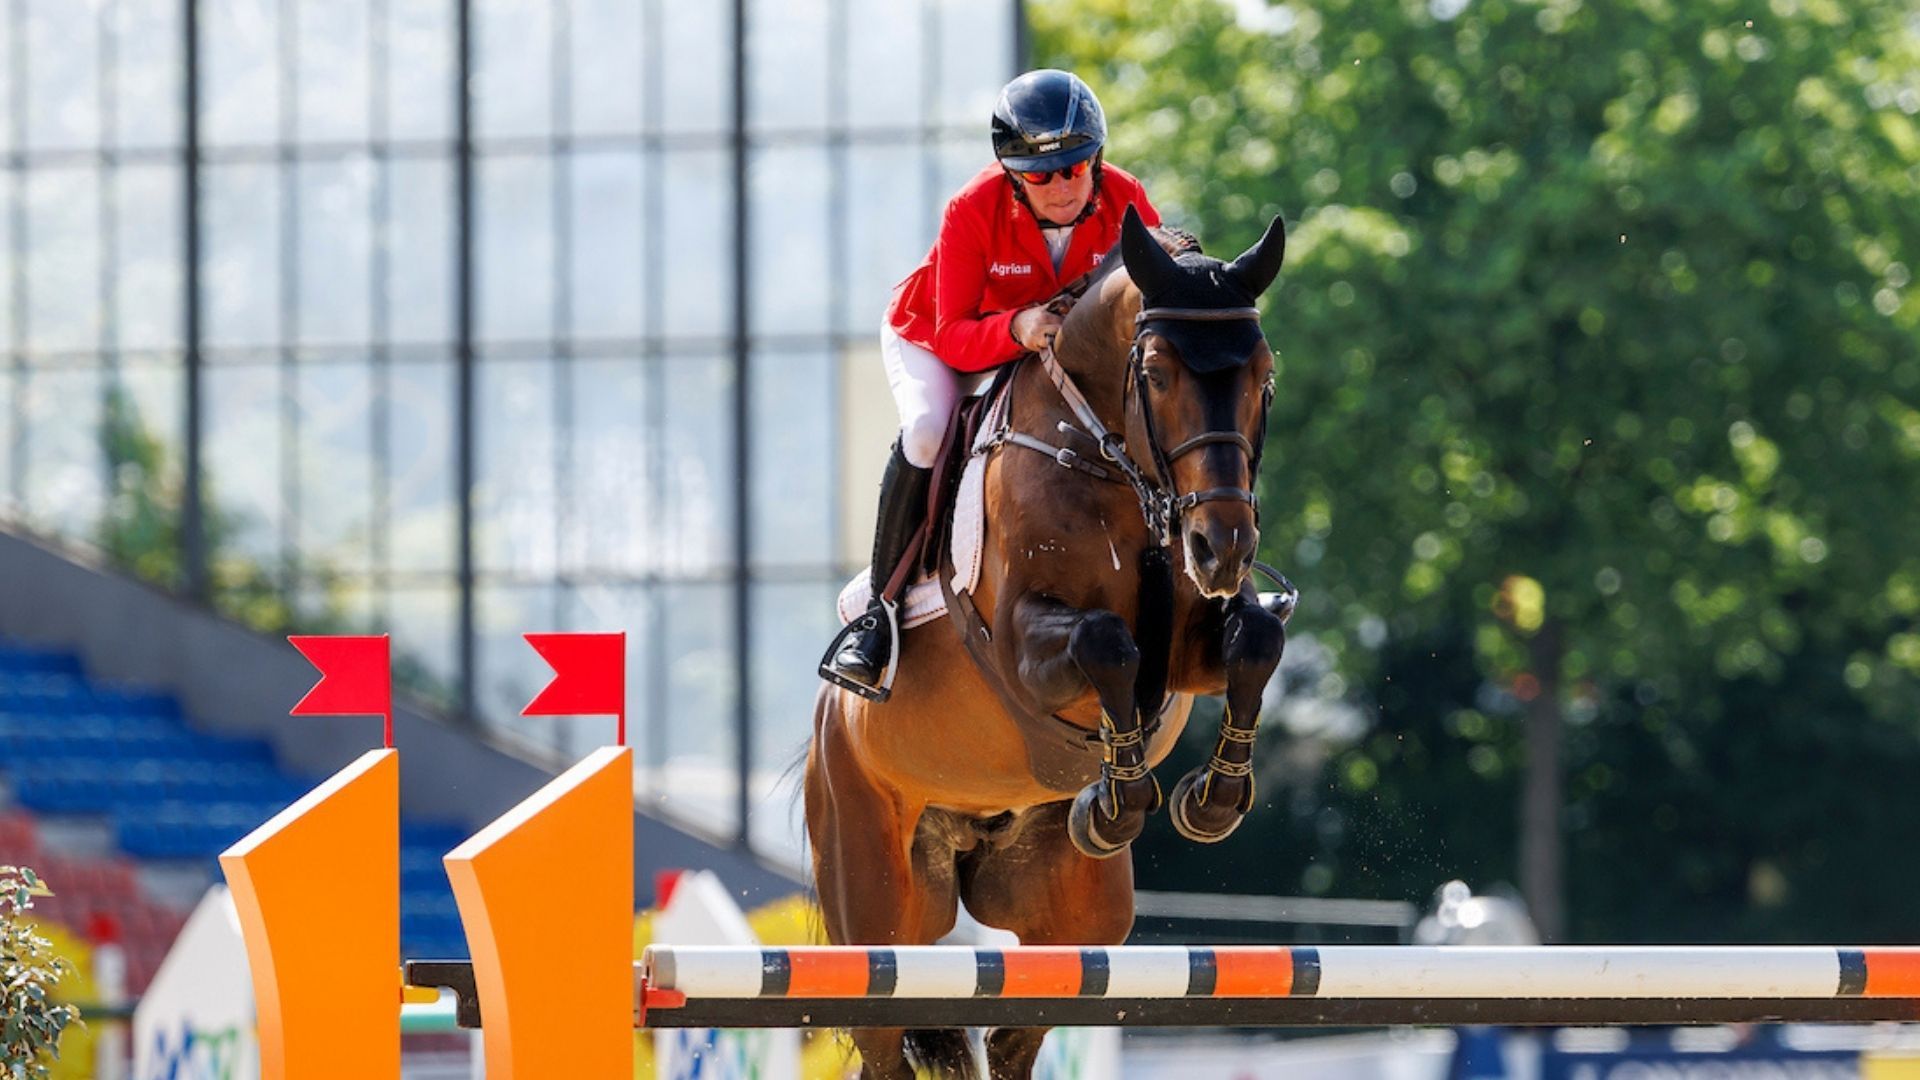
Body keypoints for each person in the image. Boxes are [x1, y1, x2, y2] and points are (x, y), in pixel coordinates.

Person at [820, 69, 1163, 699]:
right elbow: (952, 333)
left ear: (1098, 158)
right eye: (1039, 175)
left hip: (1046, 349)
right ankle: (880, 611)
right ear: (1012, 176)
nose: (1061, 186)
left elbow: (1155, 305)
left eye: (1075, 166)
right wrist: (1018, 325)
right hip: (943, 339)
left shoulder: (1127, 201)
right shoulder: (972, 209)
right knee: (927, 433)